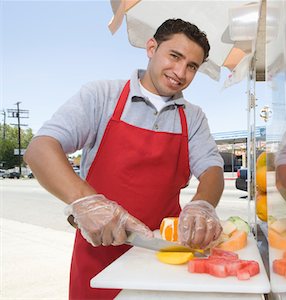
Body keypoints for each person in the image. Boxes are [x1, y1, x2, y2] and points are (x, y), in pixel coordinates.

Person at [24, 18, 224, 299]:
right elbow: (41, 148)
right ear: (151, 48)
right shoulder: (102, 96)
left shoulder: (193, 117)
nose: (180, 72)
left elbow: (212, 169)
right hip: (99, 254)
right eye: (175, 56)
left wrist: (202, 205)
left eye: (192, 66)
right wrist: (87, 203)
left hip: (164, 256)